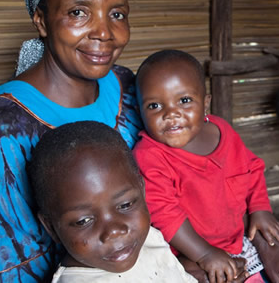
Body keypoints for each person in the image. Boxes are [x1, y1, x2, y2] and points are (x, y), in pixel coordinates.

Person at [0, 0, 141, 281]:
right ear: (41, 21)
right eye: (78, 12)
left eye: (117, 14)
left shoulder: (129, 87)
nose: (105, 32)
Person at [132, 49, 279, 283]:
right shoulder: (149, 155)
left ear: (205, 103)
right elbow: (164, 214)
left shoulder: (222, 131)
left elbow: (251, 168)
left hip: (238, 240)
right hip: (189, 253)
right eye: (154, 106)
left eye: (184, 100)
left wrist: (260, 208)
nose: (171, 113)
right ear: (140, 112)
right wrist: (204, 254)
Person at [27, 121, 196, 282]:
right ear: (51, 228)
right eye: (83, 221)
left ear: (142, 191)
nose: (114, 231)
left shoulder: (149, 239)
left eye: (125, 205)